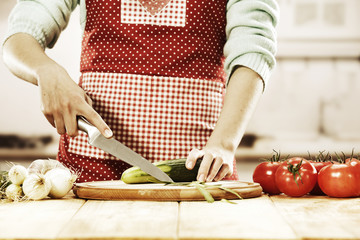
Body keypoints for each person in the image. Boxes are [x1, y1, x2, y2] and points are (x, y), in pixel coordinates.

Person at [2, 0, 279, 183]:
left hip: (198, 172)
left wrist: (224, 144)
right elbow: (20, 35)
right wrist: (46, 70)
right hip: (89, 171)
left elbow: (253, 51)